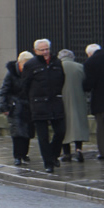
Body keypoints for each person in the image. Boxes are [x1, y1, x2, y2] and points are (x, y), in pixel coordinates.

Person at [21, 38, 66, 173]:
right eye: (42, 50)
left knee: (61, 131)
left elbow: (61, 80)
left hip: (55, 102)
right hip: (38, 104)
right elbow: (25, 85)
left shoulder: (56, 62)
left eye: (47, 49)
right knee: (43, 136)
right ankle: (48, 163)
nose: (45, 52)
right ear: (36, 51)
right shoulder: (31, 65)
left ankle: (54, 154)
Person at [0, 51, 35, 166]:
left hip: (28, 105)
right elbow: (4, 90)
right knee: (17, 132)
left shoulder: (31, 73)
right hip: (15, 106)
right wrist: (4, 107)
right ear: (20, 63)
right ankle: (17, 156)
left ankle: (24, 154)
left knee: (28, 131)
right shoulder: (11, 74)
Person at [58, 49, 89, 162]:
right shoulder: (80, 67)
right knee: (78, 125)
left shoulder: (58, 67)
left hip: (62, 99)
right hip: (79, 99)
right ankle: (78, 150)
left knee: (64, 125)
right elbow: (86, 83)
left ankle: (66, 153)